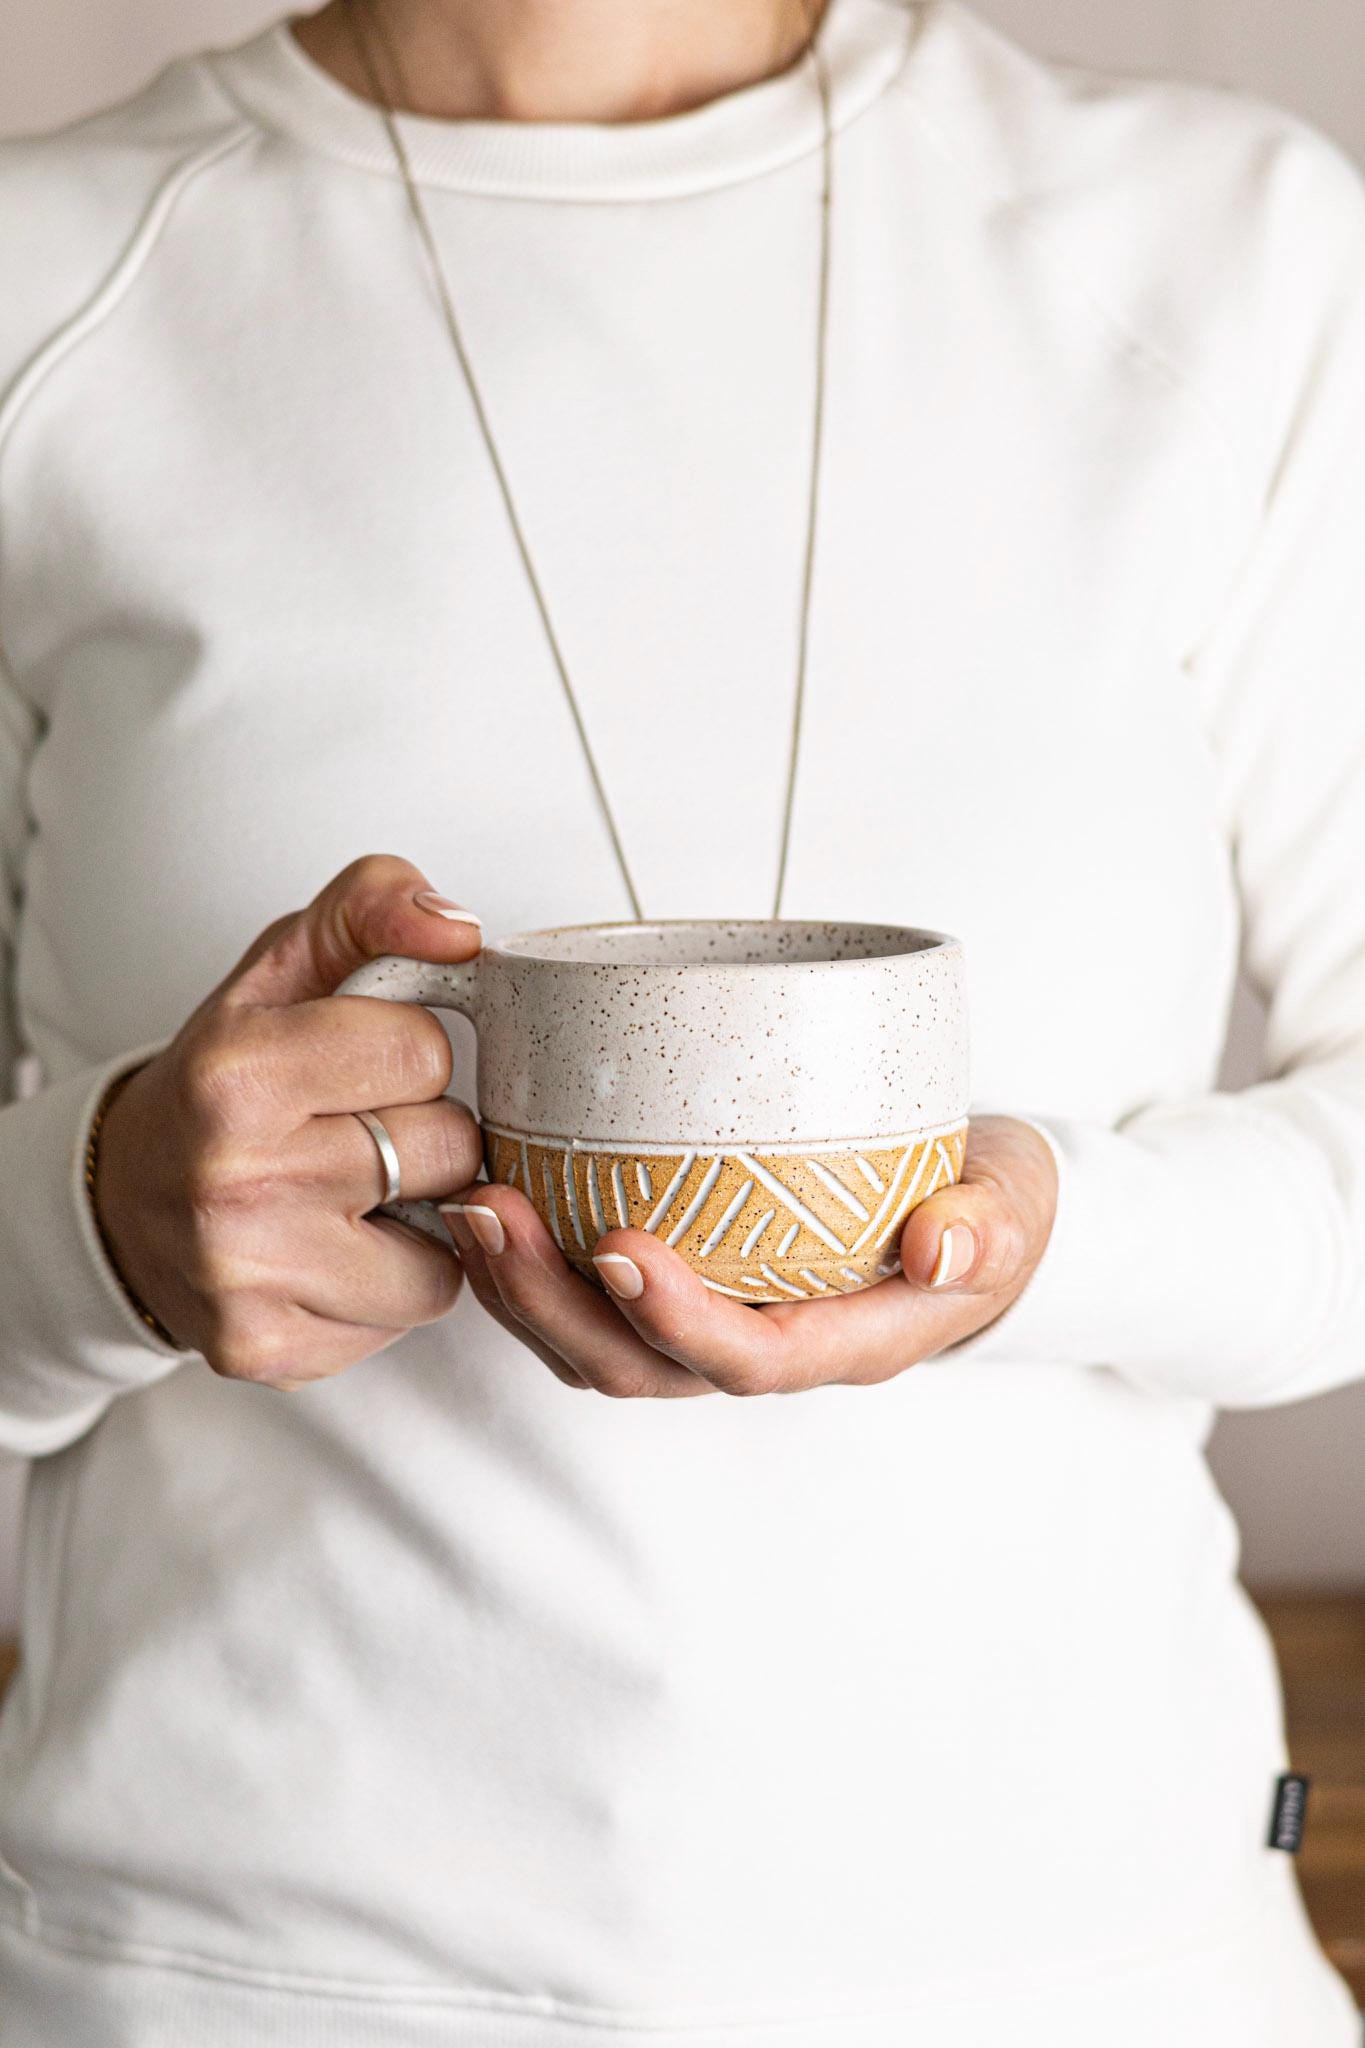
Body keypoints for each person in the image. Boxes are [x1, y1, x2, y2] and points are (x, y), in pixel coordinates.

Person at [0, 0, 1362, 2040]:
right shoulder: (51, 280)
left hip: (1085, 1970)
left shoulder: (1219, 247)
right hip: (233, 1979)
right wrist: (94, 1219)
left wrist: (1031, 1237)